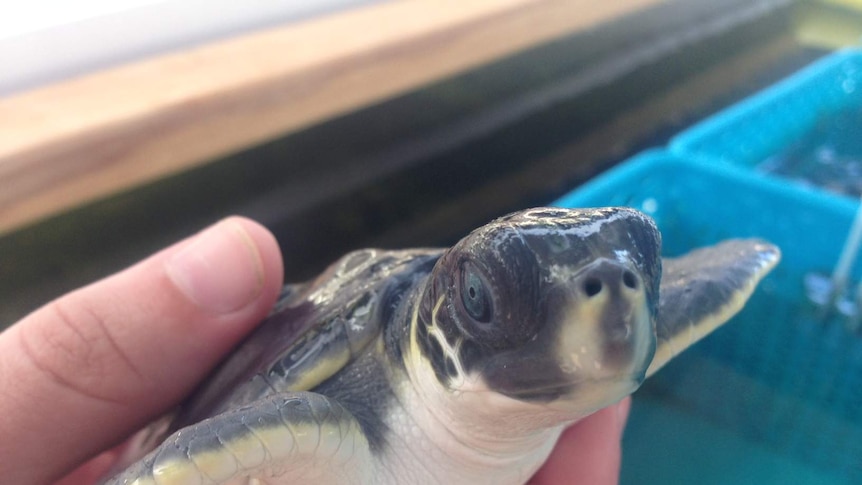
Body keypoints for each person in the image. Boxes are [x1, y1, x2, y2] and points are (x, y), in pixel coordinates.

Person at [0, 217, 630, 485]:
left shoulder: (601, 344)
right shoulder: (319, 435)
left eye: (638, 277)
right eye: (484, 298)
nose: (616, 297)